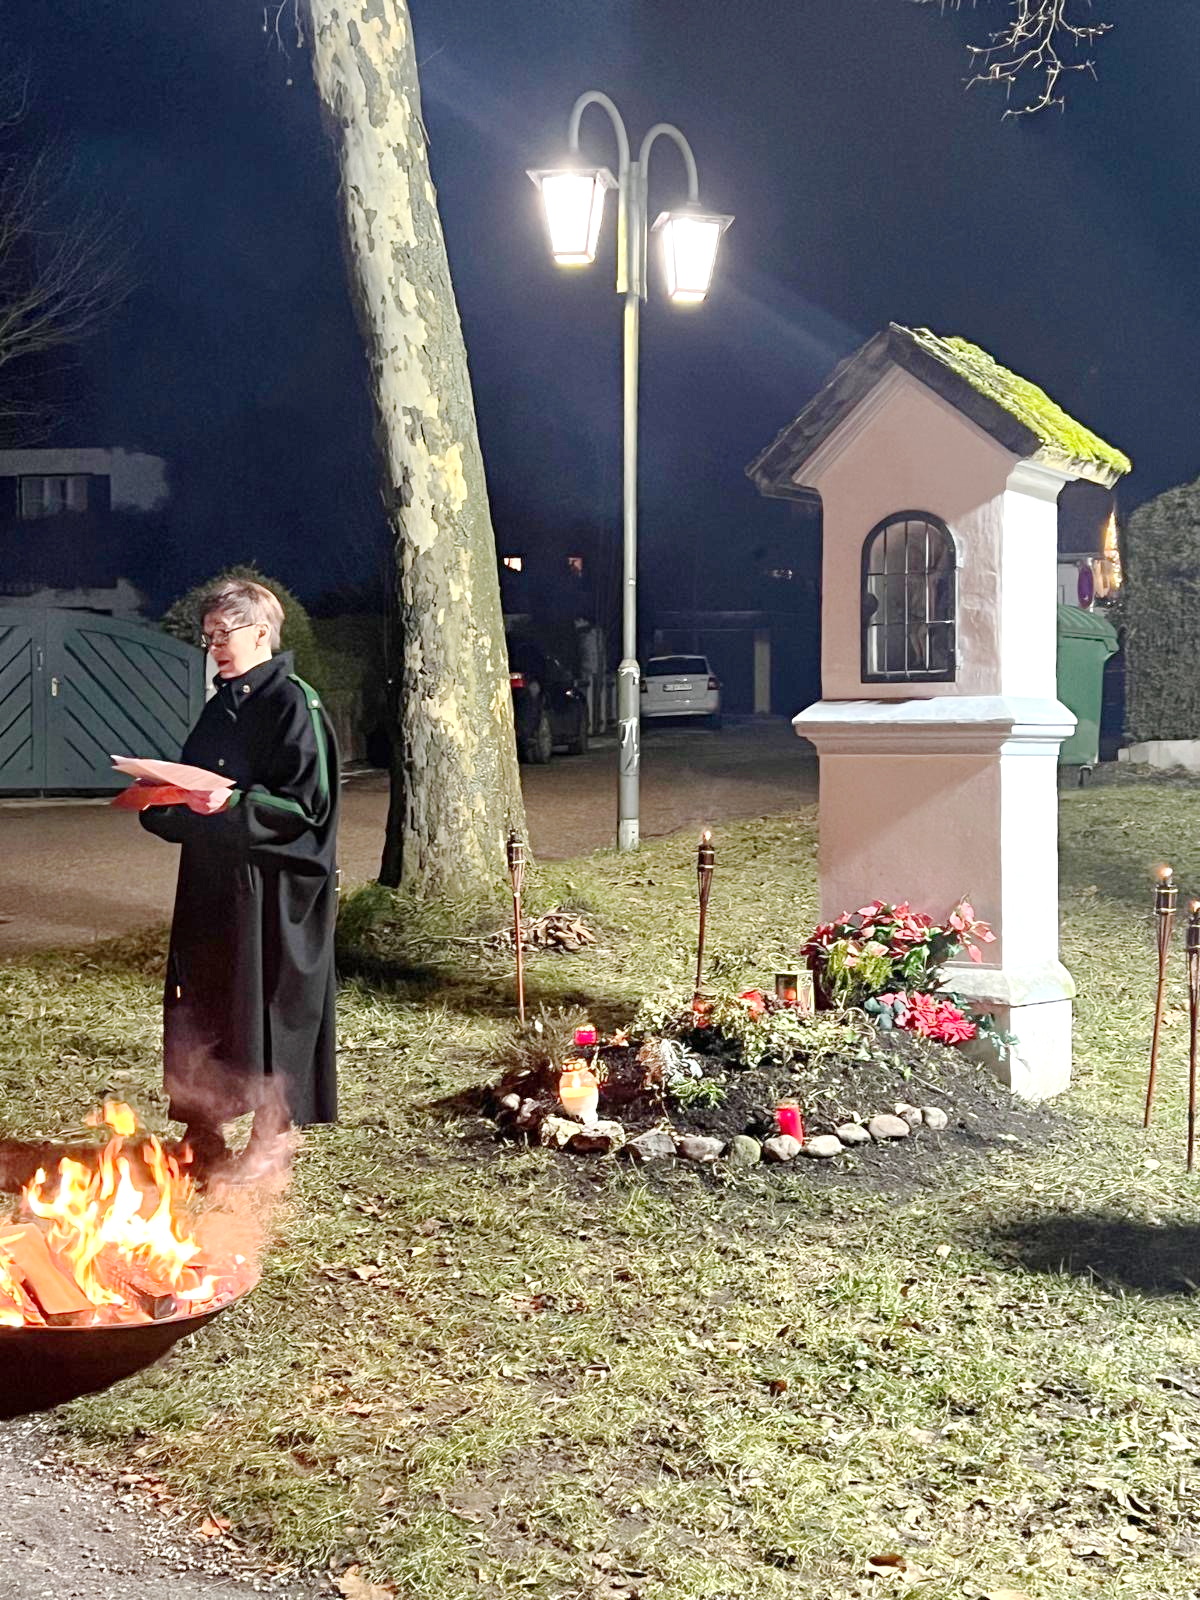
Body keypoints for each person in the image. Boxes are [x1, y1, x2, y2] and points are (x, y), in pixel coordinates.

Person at [140, 579, 339, 1177]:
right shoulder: (221, 706)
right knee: (204, 998)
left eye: (222, 635)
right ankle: (203, 1128)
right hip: (212, 885)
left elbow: (307, 807)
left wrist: (233, 805)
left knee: (268, 1008)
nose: (214, 648)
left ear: (259, 633)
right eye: (208, 637)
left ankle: (272, 1136)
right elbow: (195, 783)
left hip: (271, 890)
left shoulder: (294, 704)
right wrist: (160, 802)